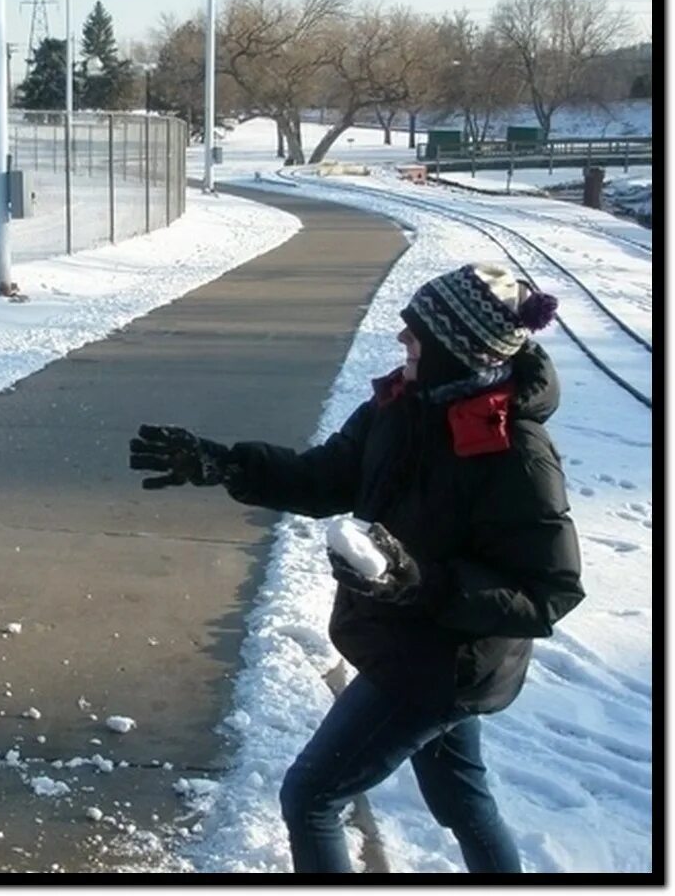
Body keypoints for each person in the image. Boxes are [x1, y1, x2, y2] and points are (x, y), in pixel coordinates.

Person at [129, 263, 584, 873]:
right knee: (458, 799)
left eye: (416, 334)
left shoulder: (515, 452)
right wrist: (226, 464)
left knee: (312, 797)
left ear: (458, 350)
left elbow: (547, 591)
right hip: (407, 643)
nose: (403, 342)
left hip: (439, 665)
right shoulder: (404, 405)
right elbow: (325, 478)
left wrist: (419, 582)